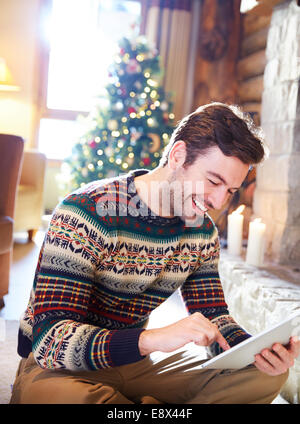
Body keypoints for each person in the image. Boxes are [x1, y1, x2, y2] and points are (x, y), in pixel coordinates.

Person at [10, 103, 299, 404]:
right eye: (214, 181)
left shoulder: (202, 233)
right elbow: (51, 342)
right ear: (178, 156)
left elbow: (215, 317)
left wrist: (256, 351)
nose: (217, 200)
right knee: (51, 396)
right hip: (63, 370)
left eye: (230, 191)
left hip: (136, 366)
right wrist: (152, 339)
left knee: (266, 375)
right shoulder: (85, 212)